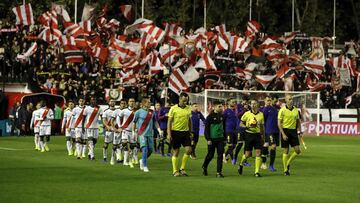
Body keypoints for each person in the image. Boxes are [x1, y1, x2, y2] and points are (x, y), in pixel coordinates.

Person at [133, 97, 162, 172]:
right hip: (142, 134)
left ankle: (142, 160)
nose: (150, 103)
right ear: (144, 103)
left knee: (151, 150)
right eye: (148, 102)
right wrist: (134, 132)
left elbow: (155, 122)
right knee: (145, 149)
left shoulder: (152, 112)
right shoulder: (138, 112)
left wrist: (159, 130)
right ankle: (145, 165)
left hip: (150, 134)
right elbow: (134, 122)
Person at [167, 92, 192, 177]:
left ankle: (182, 168)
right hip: (175, 132)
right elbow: (169, 122)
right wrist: (169, 134)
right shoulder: (173, 108)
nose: (185, 102)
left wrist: (190, 131)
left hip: (185, 133)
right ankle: (175, 170)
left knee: (189, 150)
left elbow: (189, 120)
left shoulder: (188, 108)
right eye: (184, 100)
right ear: (180, 99)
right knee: (176, 152)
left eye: (186, 101)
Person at [238, 100, 265, 177]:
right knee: (248, 154)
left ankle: (256, 172)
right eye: (252, 104)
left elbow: (262, 126)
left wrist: (263, 136)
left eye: (255, 104)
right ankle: (241, 164)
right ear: (250, 105)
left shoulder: (261, 115)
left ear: (257, 105)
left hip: (257, 135)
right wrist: (246, 126)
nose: (253, 105)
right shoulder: (247, 114)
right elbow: (241, 123)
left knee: (258, 153)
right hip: (248, 134)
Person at [278, 95, 302, 176]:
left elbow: (298, 121)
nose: (291, 100)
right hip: (285, 130)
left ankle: (288, 163)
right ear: (286, 100)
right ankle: (285, 170)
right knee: (286, 151)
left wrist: (300, 130)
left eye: (292, 99)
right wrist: (283, 134)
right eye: (289, 99)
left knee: (298, 150)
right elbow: (279, 123)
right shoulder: (282, 110)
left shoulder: (296, 110)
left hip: (293, 131)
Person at [202, 101, 226, 178]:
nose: (221, 108)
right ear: (214, 107)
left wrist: (224, 138)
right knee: (210, 156)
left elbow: (223, 128)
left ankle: (219, 172)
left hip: (220, 139)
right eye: (219, 106)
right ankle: (204, 166)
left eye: (221, 106)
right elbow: (206, 130)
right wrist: (208, 139)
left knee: (220, 156)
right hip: (212, 140)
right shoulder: (209, 117)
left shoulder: (222, 116)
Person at [115, 98, 136, 167]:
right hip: (125, 130)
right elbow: (118, 117)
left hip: (133, 131)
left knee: (133, 146)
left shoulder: (137, 111)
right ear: (128, 103)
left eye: (133, 101)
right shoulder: (124, 111)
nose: (132, 102)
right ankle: (125, 161)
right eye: (130, 101)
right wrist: (120, 126)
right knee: (125, 144)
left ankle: (119, 147)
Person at [260, 96, 279, 172]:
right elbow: (262, 121)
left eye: (270, 100)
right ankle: (271, 165)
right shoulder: (264, 110)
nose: (269, 102)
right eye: (267, 100)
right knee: (273, 146)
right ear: (264, 101)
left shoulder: (274, 109)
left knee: (266, 144)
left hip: (276, 130)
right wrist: (262, 132)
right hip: (269, 130)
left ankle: (263, 163)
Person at [223, 98, 239, 164]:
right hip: (228, 130)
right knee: (230, 145)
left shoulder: (235, 111)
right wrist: (223, 131)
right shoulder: (226, 111)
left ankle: (225, 156)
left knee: (234, 145)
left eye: (235, 102)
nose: (234, 103)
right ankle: (233, 159)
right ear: (229, 103)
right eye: (232, 102)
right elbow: (223, 121)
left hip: (235, 130)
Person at [110, 99, 127, 164]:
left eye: (124, 103)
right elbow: (112, 121)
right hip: (117, 130)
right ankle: (112, 157)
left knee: (123, 144)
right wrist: (114, 128)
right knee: (115, 145)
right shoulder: (116, 111)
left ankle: (119, 158)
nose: (123, 104)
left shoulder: (127, 111)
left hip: (125, 130)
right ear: (120, 104)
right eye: (122, 103)